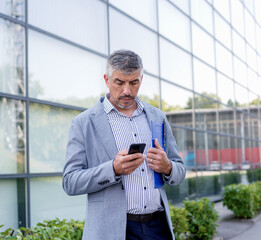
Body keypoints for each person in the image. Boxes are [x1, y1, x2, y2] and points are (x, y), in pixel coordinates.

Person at [63, 50, 185, 240]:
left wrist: (168, 167)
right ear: (107, 79)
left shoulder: (157, 117)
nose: (127, 90)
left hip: (158, 228)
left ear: (141, 80)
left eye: (133, 82)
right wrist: (113, 169)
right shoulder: (84, 123)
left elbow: (180, 171)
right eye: (119, 82)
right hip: (113, 232)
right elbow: (70, 182)